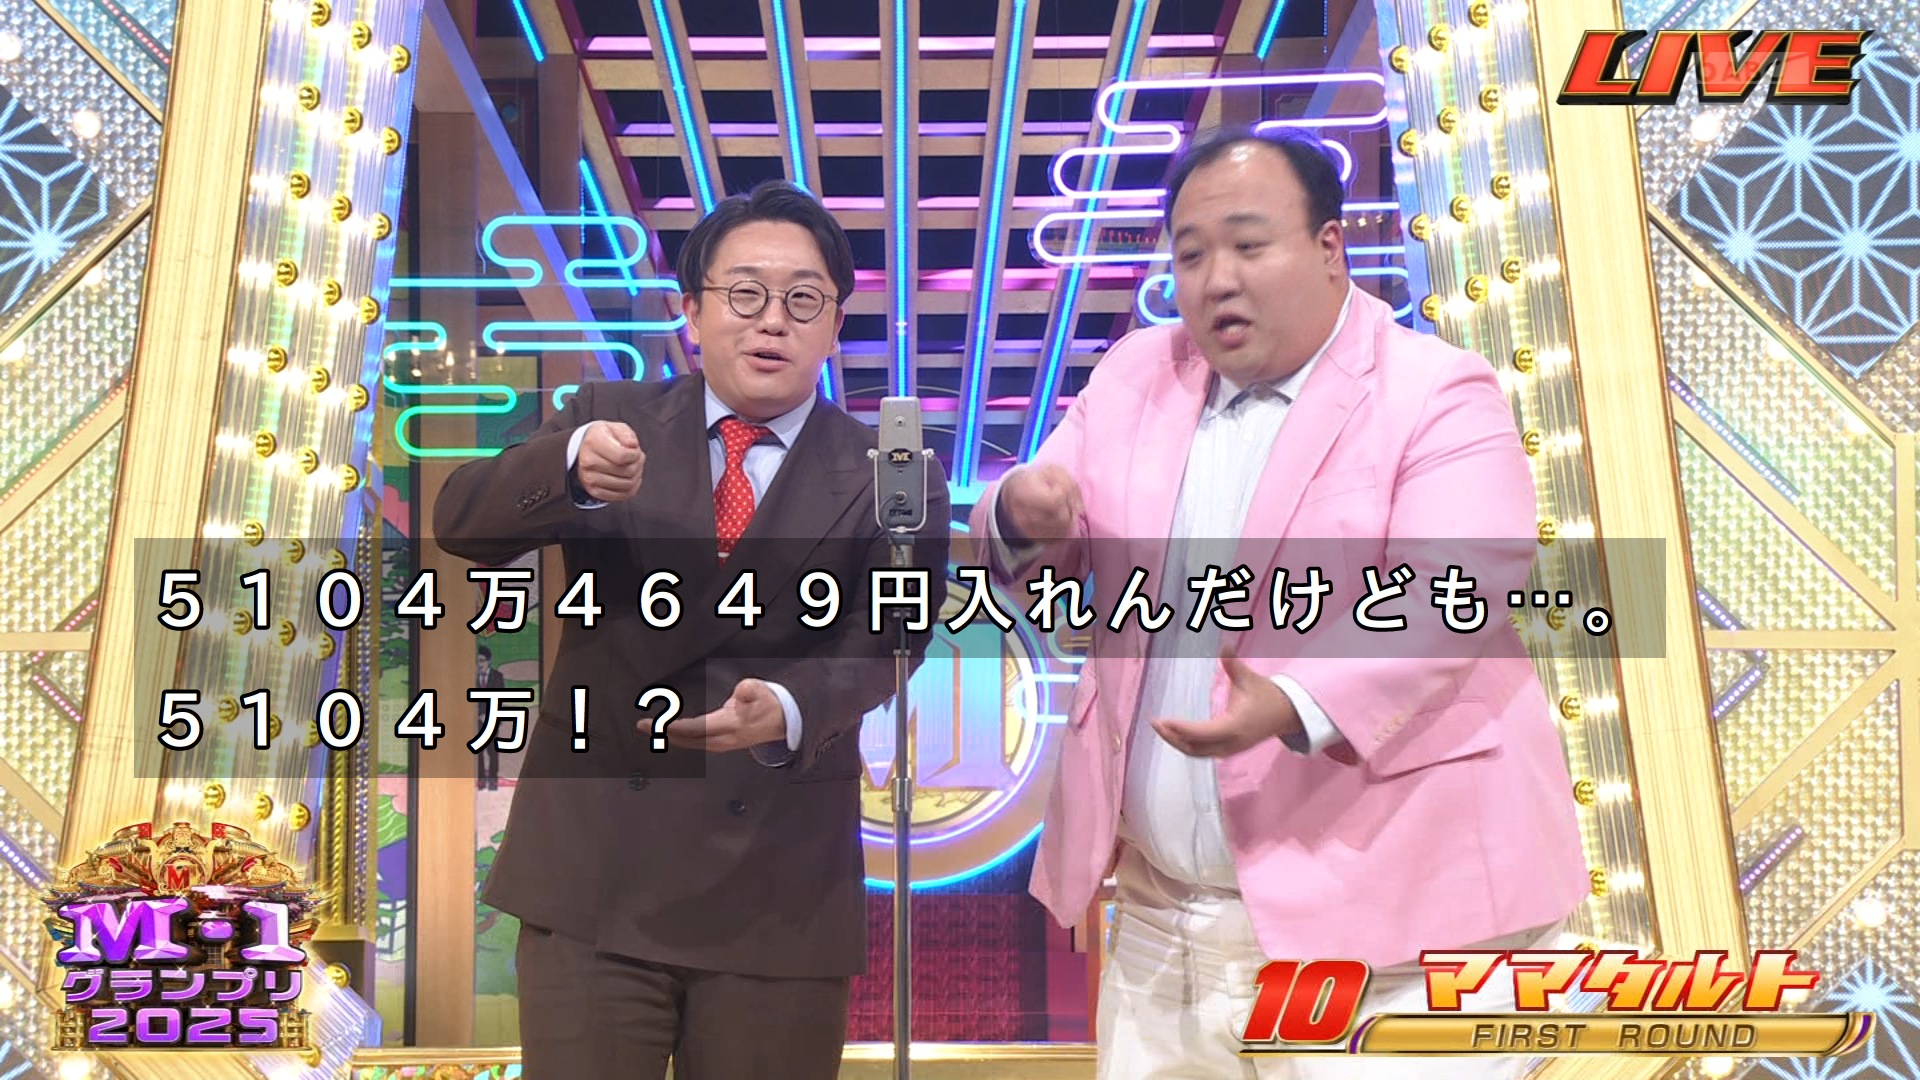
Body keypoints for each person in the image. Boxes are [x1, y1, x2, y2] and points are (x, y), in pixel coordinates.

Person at [970, 126, 1589, 1078]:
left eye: (1249, 246)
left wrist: (1298, 702)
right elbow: (1027, 522)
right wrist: (1018, 512)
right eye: (1190, 255)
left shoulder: (1435, 391)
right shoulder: (1137, 373)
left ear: (1330, 248)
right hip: (1165, 933)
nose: (1216, 279)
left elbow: (1453, 588)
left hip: (1397, 949)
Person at [434, 180, 950, 1080]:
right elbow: (461, 523)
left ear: (835, 326)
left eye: (804, 299)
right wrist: (567, 469)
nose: (773, 320)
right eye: (745, 293)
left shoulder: (889, 471)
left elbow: (891, 640)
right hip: (595, 876)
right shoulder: (609, 420)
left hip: (779, 891)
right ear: (692, 312)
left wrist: (791, 704)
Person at [474, 644, 505, 790]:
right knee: (478, 751)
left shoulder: (497, 677)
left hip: (492, 718)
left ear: (489, 661)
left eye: (482, 660)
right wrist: (479, 714)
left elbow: (500, 698)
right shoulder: (473, 677)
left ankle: (493, 780)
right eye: (477, 661)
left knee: (492, 751)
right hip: (477, 720)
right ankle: (481, 780)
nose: (480, 664)